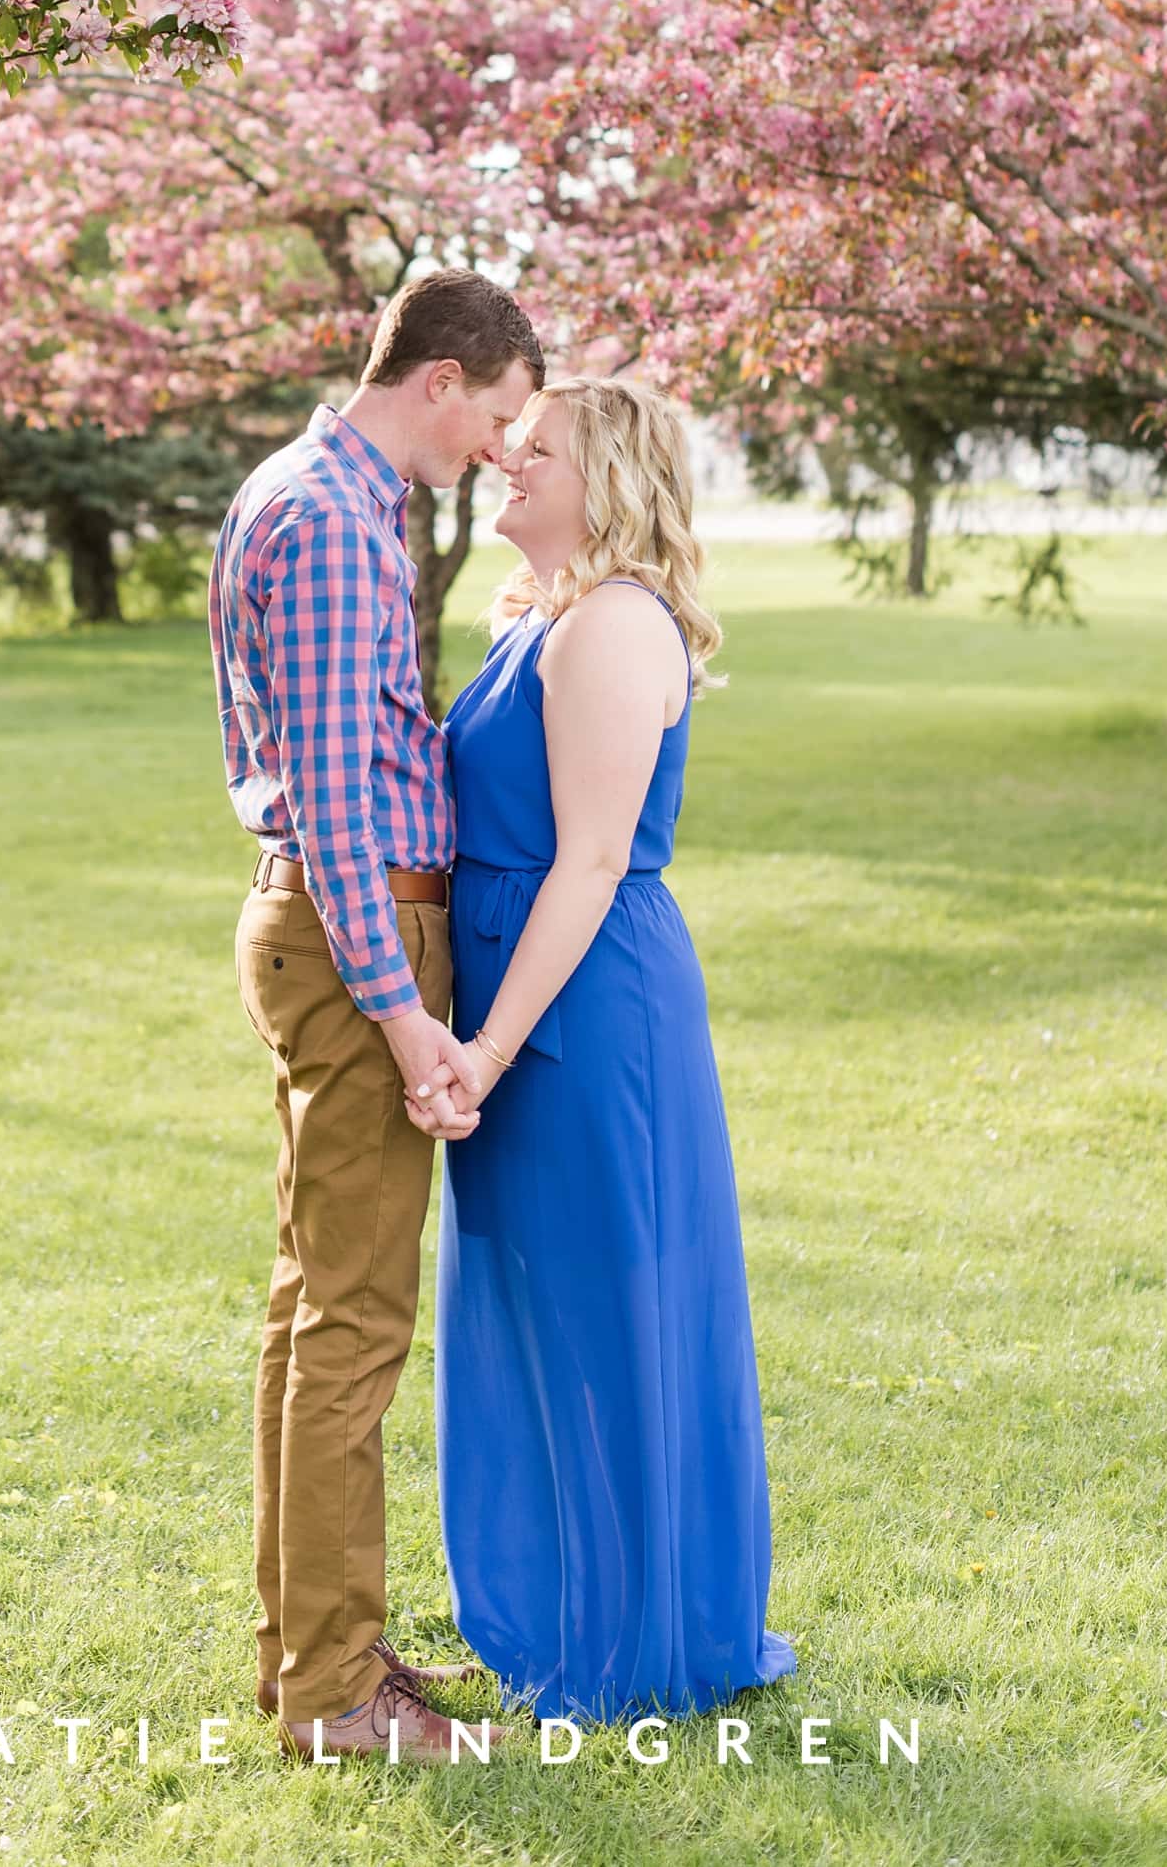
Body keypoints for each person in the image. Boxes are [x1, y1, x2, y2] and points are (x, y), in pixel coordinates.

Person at [412, 375, 797, 1722]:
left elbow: (586, 864)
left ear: (610, 479)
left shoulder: (618, 627)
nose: (508, 461)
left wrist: (489, 1049)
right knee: (526, 1309)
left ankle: (638, 1632)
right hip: (521, 1005)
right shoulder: (546, 620)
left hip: (581, 1012)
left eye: (539, 449)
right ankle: (547, 1607)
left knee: (607, 1307)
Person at [211, 269, 542, 1764]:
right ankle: (340, 1697)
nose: (498, 444)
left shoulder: (300, 485)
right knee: (352, 1323)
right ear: (444, 377)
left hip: (322, 925)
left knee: (310, 1311)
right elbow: (345, 807)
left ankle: (308, 1658)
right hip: (363, 931)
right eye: (499, 413)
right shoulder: (340, 524)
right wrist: (409, 1015)